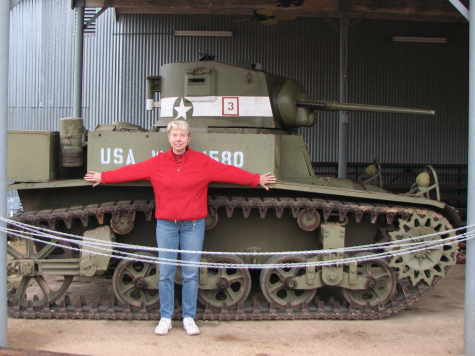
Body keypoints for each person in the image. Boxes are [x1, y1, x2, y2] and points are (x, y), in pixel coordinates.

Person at [84, 119, 276, 336]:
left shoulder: (201, 162)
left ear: (188, 139)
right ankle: (165, 317)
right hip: (166, 225)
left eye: (182, 135)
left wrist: (256, 179)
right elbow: (132, 171)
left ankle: (188, 317)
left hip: (193, 225)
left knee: (190, 273)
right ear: (169, 138)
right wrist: (103, 177)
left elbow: (228, 172)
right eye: (175, 135)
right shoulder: (158, 162)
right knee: (165, 272)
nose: (178, 139)